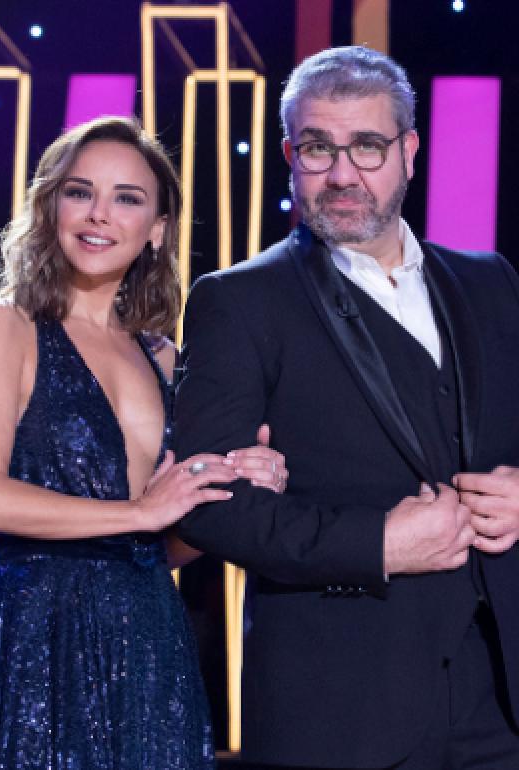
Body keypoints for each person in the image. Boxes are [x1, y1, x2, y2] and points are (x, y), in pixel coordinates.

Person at [175, 45, 519, 769]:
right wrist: (376, 546)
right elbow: (207, 505)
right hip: (340, 710)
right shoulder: (236, 301)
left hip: (499, 702)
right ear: (289, 155)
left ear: (409, 150)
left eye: (367, 146)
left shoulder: (491, 283)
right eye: (318, 148)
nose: (342, 174)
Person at [0, 116, 288, 769]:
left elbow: (163, 548)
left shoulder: (164, 356)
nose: (99, 214)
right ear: (50, 205)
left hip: (151, 645)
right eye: (79, 191)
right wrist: (140, 513)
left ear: (156, 230)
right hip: (35, 641)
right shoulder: (2, 325)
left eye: (127, 198)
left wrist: (229, 484)